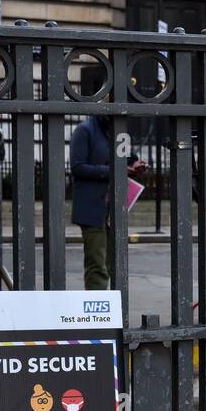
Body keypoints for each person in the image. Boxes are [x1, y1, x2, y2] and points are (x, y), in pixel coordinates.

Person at [69, 115, 146, 290]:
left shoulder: (118, 130)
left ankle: (115, 310)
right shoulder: (85, 130)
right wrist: (113, 170)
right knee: (97, 265)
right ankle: (99, 313)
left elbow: (127, 158)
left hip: (114, 207)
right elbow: (77, 167)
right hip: (92, 207)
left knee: (115, 264)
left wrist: (136, 163)